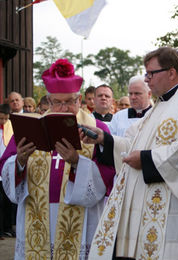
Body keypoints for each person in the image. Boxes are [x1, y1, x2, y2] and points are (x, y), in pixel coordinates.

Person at [85, 47, 178, 260]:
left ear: (171, 72)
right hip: (155, 211)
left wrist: (145, 159)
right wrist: (104, 139)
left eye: (151, 73)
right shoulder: (159, 107)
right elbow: (135, 144)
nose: (147, 80)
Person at [0, 59, 115, 260]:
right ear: (49, 101)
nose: (63, 108)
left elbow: (108, 175)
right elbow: (5, 166)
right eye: (57, 102)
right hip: (35, 213)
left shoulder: (96, 128)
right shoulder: (31, 125)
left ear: (79, 100)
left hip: (81, 216)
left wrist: (77, 162)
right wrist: (19, 160)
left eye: (69, 101)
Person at [0, 104, 13, 240]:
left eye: (5, 119)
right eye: (0, 118)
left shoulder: (11, 127)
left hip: (6, 168)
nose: (3, 121)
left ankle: (8, 228)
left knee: (8, 199)